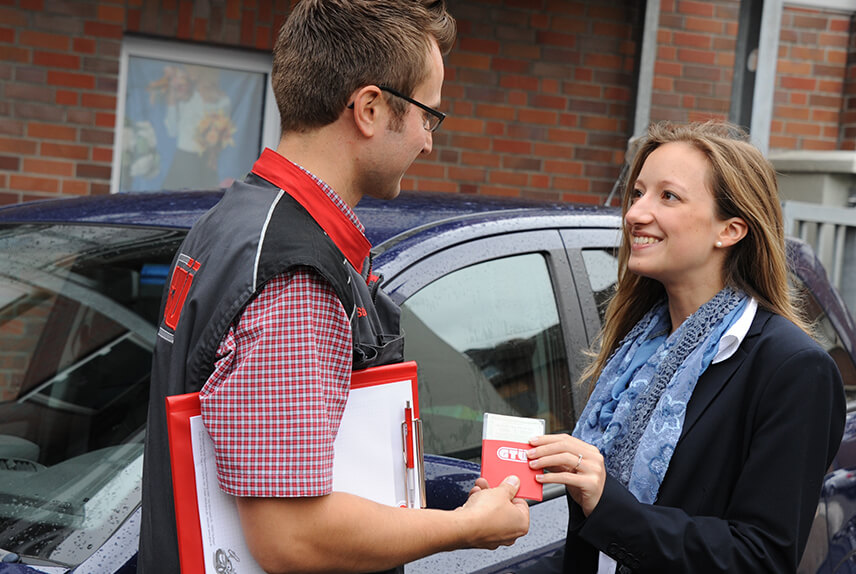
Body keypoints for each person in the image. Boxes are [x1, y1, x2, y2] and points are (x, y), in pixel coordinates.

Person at [137, 1, 530, 573]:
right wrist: (466, 527)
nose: (428, 142)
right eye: (428, 115)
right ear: (369, 108)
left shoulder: (239, 217)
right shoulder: (297, 275)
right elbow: (290, 536)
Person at [520, 121, 846, 573]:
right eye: (637, 193)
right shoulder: (638, 350)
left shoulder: (793, 369)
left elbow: (761, 559)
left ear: (730, 230)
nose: (635, 213)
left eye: (667, 196)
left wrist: (608, 504)